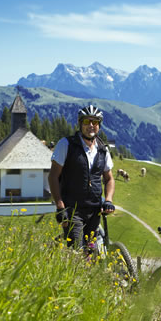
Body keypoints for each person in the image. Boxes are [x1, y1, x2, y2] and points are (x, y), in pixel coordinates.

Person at [47, 105, 115, 250]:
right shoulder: (66, 145)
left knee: (91, 251)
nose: (91, 125)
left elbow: (109, 179)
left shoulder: (103, 150)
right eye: (86, 122)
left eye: (95, 122)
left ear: (99, 125)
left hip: (94, 209)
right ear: (80, 123)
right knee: (77, 251)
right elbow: (53, 176)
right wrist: (60, 207)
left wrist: (108, 200)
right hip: (73, 209)